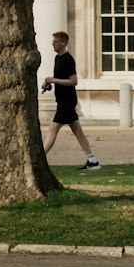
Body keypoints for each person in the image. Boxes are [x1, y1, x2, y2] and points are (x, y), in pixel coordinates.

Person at [41, 31, 100, 170]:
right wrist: (50, 83)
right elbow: (61, 79)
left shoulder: (68, 59)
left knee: (52, 129)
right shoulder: (57, 58)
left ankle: (40, 160)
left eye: (55, 41)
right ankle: (93, 161)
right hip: (62, 100)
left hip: (67, 101)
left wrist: (54, 80)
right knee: (78, 131)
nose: (52, 44)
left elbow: (74, 81)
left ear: (63, 43)